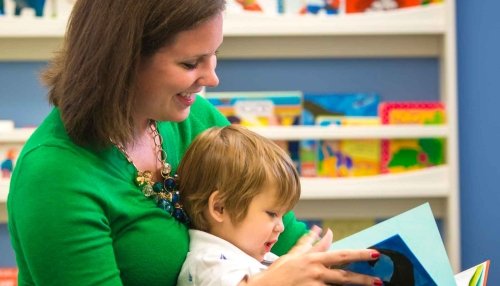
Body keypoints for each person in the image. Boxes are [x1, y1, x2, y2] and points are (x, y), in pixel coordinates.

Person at [7, 1, 382, 285]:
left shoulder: (198, 122)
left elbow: (288, 239)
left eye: (214, 55)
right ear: (121, 61)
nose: (212, 78)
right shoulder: (55, 176)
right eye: (190, 64)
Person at [175, 125, 325, 285]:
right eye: (272, 214)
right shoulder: (207, 264)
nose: (280, 227)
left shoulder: (255, 256)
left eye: (282, 215)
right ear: (220, 208)